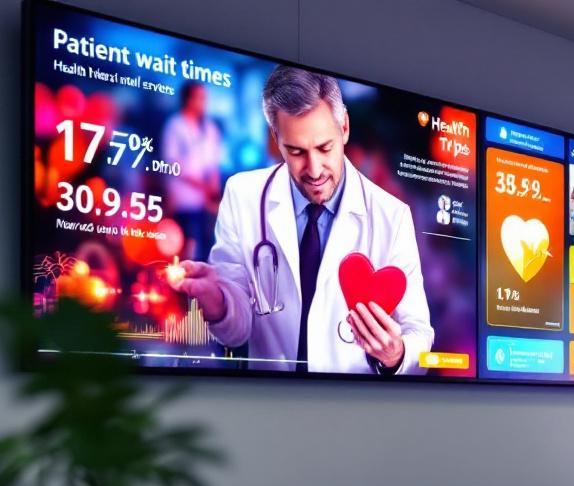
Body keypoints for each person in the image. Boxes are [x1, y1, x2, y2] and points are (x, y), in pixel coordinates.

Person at [172, 66, 434, 375]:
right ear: (276, 140)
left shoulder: (392, 216)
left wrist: (395, 353)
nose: (314, 169)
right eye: (296, 151)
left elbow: (420, 335)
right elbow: (236, 330)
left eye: (325, 148)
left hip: (353, 407)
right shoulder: (242, 196)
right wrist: (218, 302)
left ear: (345, 128)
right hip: (270, 402)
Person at [161, 82, 223, 262]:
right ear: (188, 99)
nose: (202, 102)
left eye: (204, 98)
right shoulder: (175, 125)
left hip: (205, 202)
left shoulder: (209, 128)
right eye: (199, 97)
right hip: (183, 199)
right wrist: (201, 185)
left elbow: (213, 163)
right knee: (185, 249)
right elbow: (172, 164)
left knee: (207, 248)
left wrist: (212, 190)